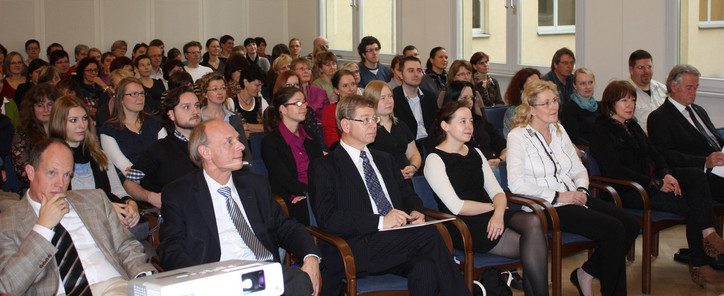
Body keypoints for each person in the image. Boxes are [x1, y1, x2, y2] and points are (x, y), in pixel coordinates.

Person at [308, 94, 471, 296]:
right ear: (346, 125)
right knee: (430, 234)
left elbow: (408, 195)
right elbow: (328, 218)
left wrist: (415, 211)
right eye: (365, 119)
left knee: (426, 267)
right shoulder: (325, 166)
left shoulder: (384, 159)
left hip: (396, 242)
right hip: (354, 246)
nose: (373, 125)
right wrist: (380, 222)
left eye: (374, 119)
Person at [158, 120, 322, 295]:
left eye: (238, 139)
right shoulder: (180, 194)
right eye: (229, 141)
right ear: (205, 152)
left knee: (300, 281)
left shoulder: (254, 185)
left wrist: (310, 256)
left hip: (262, 275)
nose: (241, 146)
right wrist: (199, 283)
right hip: (217, 280)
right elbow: (171, 248)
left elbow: (286, 226)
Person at [506, 80, 639, 296]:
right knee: (613, 229)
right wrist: (560, 195)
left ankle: (586, 272)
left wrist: (582, 190)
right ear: (531, 109)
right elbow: (517, 184)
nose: (554, 107)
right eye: (546, 103)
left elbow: (578, 168)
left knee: (630, 225)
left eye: (555, 100)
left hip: (574, 198)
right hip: (545, 206)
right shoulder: (518, 136)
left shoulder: (558, 130)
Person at [591, 80, 724, 286]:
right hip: (631, 190)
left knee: (696, 176)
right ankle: (700, 265)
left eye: (633, 100)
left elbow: (656, 154)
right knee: (694, 205)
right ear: (610, 103)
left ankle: (709, 233)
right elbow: (616, 170)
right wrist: (656, 183)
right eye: (624, 100)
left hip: (652, 182)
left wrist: (667, 174)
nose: (630, 105)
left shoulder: (632, 125)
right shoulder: (601, 130)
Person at [0, 138, 156, 295]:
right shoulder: (7, 223)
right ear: (31, 172)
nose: (60, 184)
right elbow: (9, 286)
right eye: (52, 173)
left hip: (114, 286)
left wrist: (143, 277)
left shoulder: (94, 199)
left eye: (66, 175)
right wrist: (42, 229)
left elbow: (126, 246)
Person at [425, 101, 548, 295]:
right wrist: (493, 208)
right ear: (445, 125)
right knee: (534, 244)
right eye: (462, 121)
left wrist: (498, 213)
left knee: (533, 223)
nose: (469, 127)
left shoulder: (476, 153)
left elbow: (498, 192)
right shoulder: (434, 159)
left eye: (471, 121)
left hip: (489, 214)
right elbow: (457, 207)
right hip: (461, 224)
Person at [48, 95, 141, 231]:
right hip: (73, 222)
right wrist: (103, 207)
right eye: (73, 120)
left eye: (84, 118)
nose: (82, 125)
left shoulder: (98, 154)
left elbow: (116, 190)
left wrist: (131, 203)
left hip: (106, 215)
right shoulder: (51, 157)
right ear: (59, 122)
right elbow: (60, 200)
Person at [648, 64, 724, 202]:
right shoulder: (660, 117)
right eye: (689, 88)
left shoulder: (698, 110)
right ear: (674, 86)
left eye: (695, 88)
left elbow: (715, 139)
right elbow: (665, 155)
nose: (693, 92)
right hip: (699, 173)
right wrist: (704, 162)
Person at [124, 86, 201, 209]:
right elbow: (129, 183)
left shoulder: (213, 141)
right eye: (186, 107)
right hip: (183, 214)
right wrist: (150, 196)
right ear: (171, 114)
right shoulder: (159, 149)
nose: (195, 111)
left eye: (197, 106)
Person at [261, 87, 323, 226]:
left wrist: (316, 191)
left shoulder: (310, 134)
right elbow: (284, 181)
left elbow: (322, 169)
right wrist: (310, 193)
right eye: (297, 103)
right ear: (282, 109)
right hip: (293, 197)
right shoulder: (271, 142)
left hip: (315, 192)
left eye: (304, 102)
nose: (304, 107)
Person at [99, 77, 166, 176]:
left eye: (142, 93)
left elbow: (166, 155)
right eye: (134, 94)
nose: (140, 98)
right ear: (121, 98)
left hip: (161, 175)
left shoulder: (154, 122)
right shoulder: (108, 131)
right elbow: (125, 167)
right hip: (133, 182)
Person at [441, 81, 506, 171]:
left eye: (471, 98)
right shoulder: (443, 125)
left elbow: (504, 146)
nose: (469, 102)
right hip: (465, 170)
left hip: (491, 167)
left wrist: (500, 160)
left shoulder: (481, 121)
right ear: (453, 99)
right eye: (464, 98)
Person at [365, 81, 421, 180]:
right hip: (381, 181)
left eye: (390, 96)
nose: (389, 101)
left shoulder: (401, 125)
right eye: (383, 98)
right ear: (371, 101)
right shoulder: (367, 129)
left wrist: (413, 167)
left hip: (404, 180)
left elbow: (414, 153)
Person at [11, 84, 60, 192]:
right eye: (40, 106)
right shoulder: (22, 137)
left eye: (50, 104)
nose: (46, 109)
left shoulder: (63, 132)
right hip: (34, 189)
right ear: (32, 108)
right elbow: (24, 173)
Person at [197, 72, 251, 163]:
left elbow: (245, 151)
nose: (220, 92)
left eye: (222, 88)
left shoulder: (234, 118)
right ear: (204, 94)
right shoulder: (197, 119)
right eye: (214, 89)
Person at [392, 56, 438, 152]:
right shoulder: (393, 98)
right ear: (400, 75)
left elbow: (436, 126)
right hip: (407, 147)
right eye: (411, 71)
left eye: (418, 70)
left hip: (430, 144)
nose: (416, 74)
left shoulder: (430, 96)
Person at [628, 49, 667, 131]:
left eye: (649, 67)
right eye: (641, 68)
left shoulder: (663, 89)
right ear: (631, 70)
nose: (646, 71)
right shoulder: (625, 93)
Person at [560, 67, 599, 146]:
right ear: (575, 85)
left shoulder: (600, 107)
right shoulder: (569, 109)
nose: (587, 87)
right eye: (582, 83)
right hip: (585, 151)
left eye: (590, 82)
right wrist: (597, 146)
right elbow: (573, 138)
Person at [321, 70, 358, 150]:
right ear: (336, 90)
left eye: (353, 84)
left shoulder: (363, 108)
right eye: (345, 86)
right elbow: (332, 142)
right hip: (342, 153)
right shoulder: (330, 111)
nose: (351, 89)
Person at [503, 67, 541, 138]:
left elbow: (556, 129)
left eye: (538, 84)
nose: (537, 89)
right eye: (531, 86)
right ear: (521, 90)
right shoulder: (514, 112)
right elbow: (527, 136)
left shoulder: (545, 107)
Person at [231, 64, 268, 132]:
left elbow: (268, 126)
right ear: (245, 82)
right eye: (257, 85)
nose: (260, 89)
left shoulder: (261, 102)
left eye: (261, 86)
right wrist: (256, 128)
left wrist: (245, 126)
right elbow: (230, 127)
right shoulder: (231, 103)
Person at [292, 57, 329, 122]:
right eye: (301, 69)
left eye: (308, 69)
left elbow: (327, 117)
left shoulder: (321, 92)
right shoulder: (289, 93)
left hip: (318, 128)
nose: (306, 71)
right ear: (293, 72)